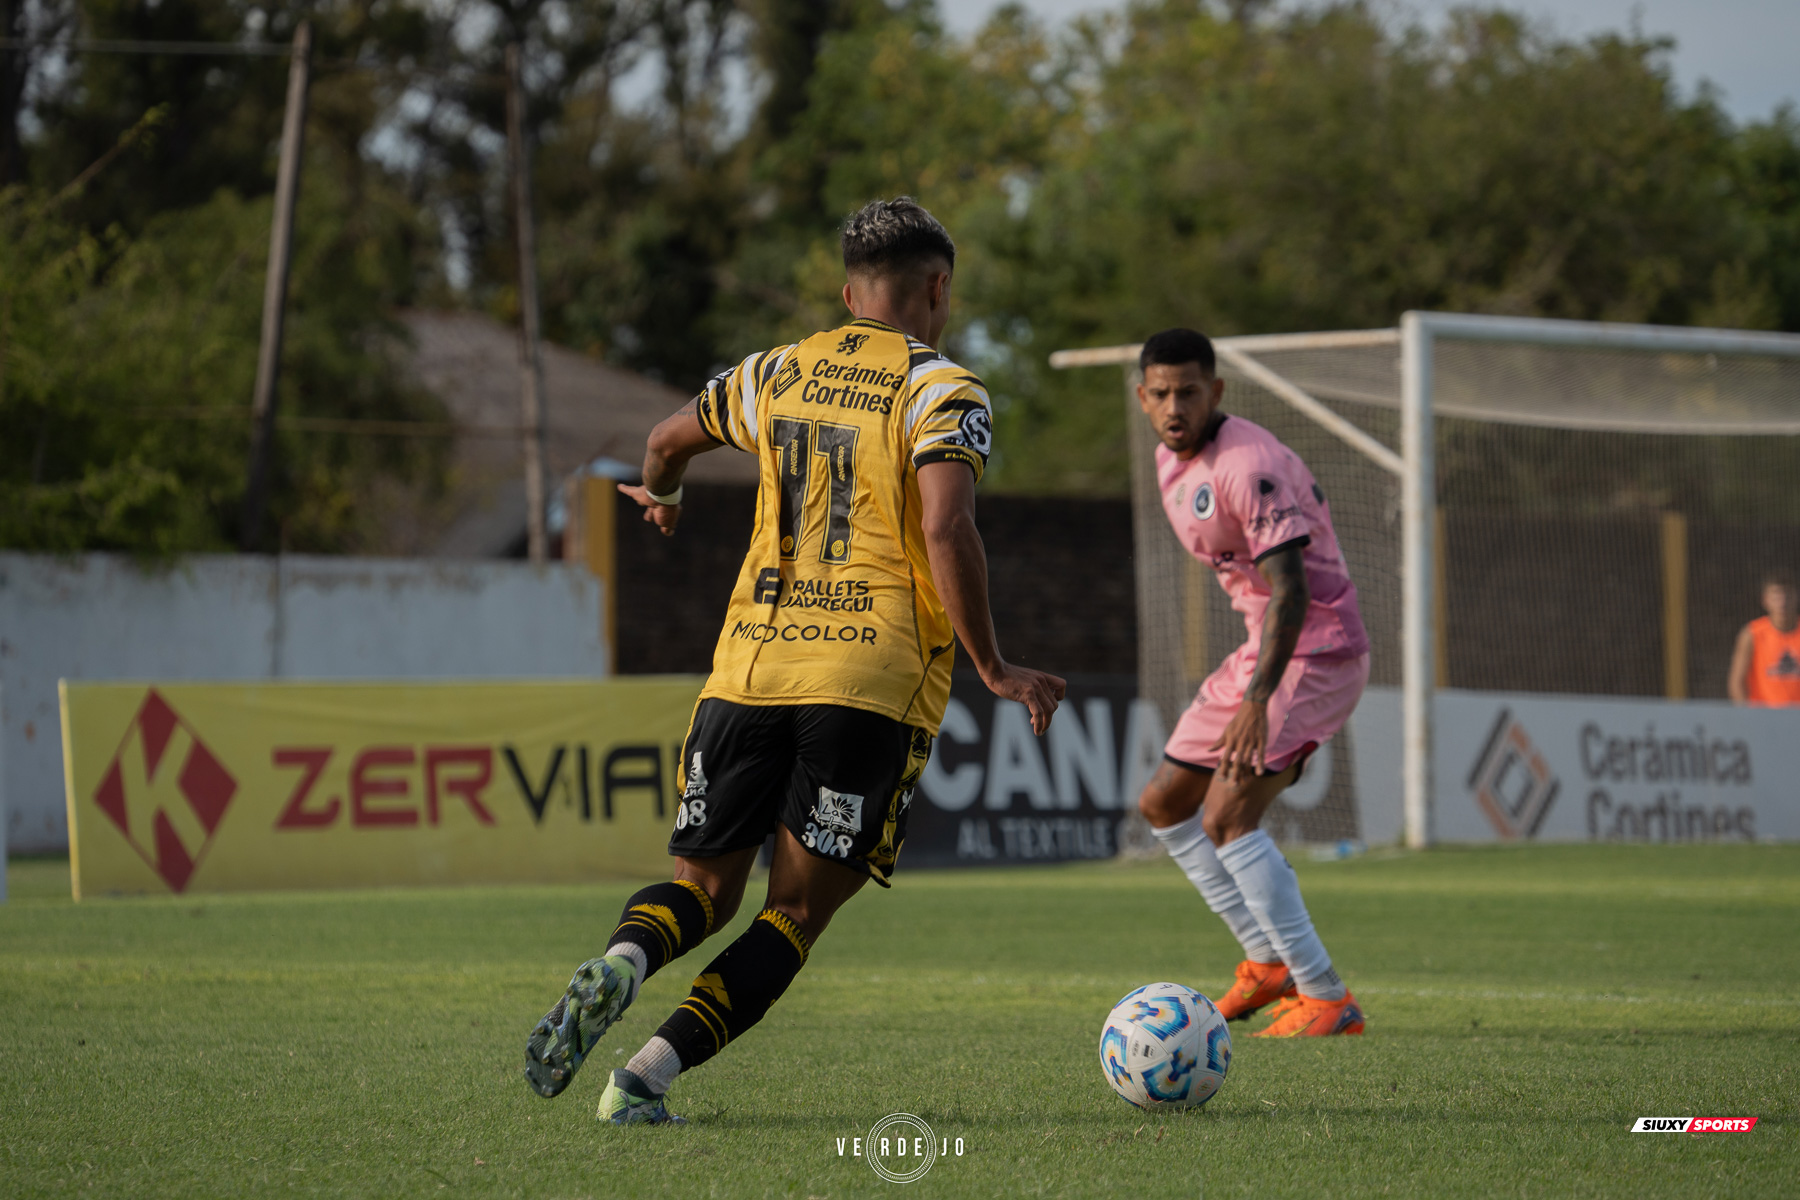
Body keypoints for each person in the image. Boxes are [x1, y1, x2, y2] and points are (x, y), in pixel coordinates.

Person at [522, 197, 1066, 1124]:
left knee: (702, 890)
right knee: (794, 913)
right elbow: (946, 524)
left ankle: (623, 961)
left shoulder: (774, 371)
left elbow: (660, 444)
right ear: (938, 288)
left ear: (849, 292)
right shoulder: (943, 389)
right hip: (869, 684)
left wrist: (664, 498)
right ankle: (643, 1079)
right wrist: (993, 664)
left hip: (747, 670)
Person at [1133, 327, 1369, 1038]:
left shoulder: (1248, 464)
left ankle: (1326, 996)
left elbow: (1290, 589)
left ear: (1217, 392)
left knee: (1229, 818)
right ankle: (1266, 965)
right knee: (1166, 803)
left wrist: (1258, 704)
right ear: (1143, 398)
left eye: (1190, 391)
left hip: (1317, 652)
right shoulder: (1172, 463)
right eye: (1162, 393)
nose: (1176, 406)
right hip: (1261, 647)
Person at [1727, 571, 1800, 706]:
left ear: (1796, 597)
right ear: (1765, 600)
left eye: (1788, 595)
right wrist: (1747, 715)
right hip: (1764, 718)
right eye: (1776, 596)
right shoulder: (1752, 634)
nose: (1782, 603)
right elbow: (1736, 681)